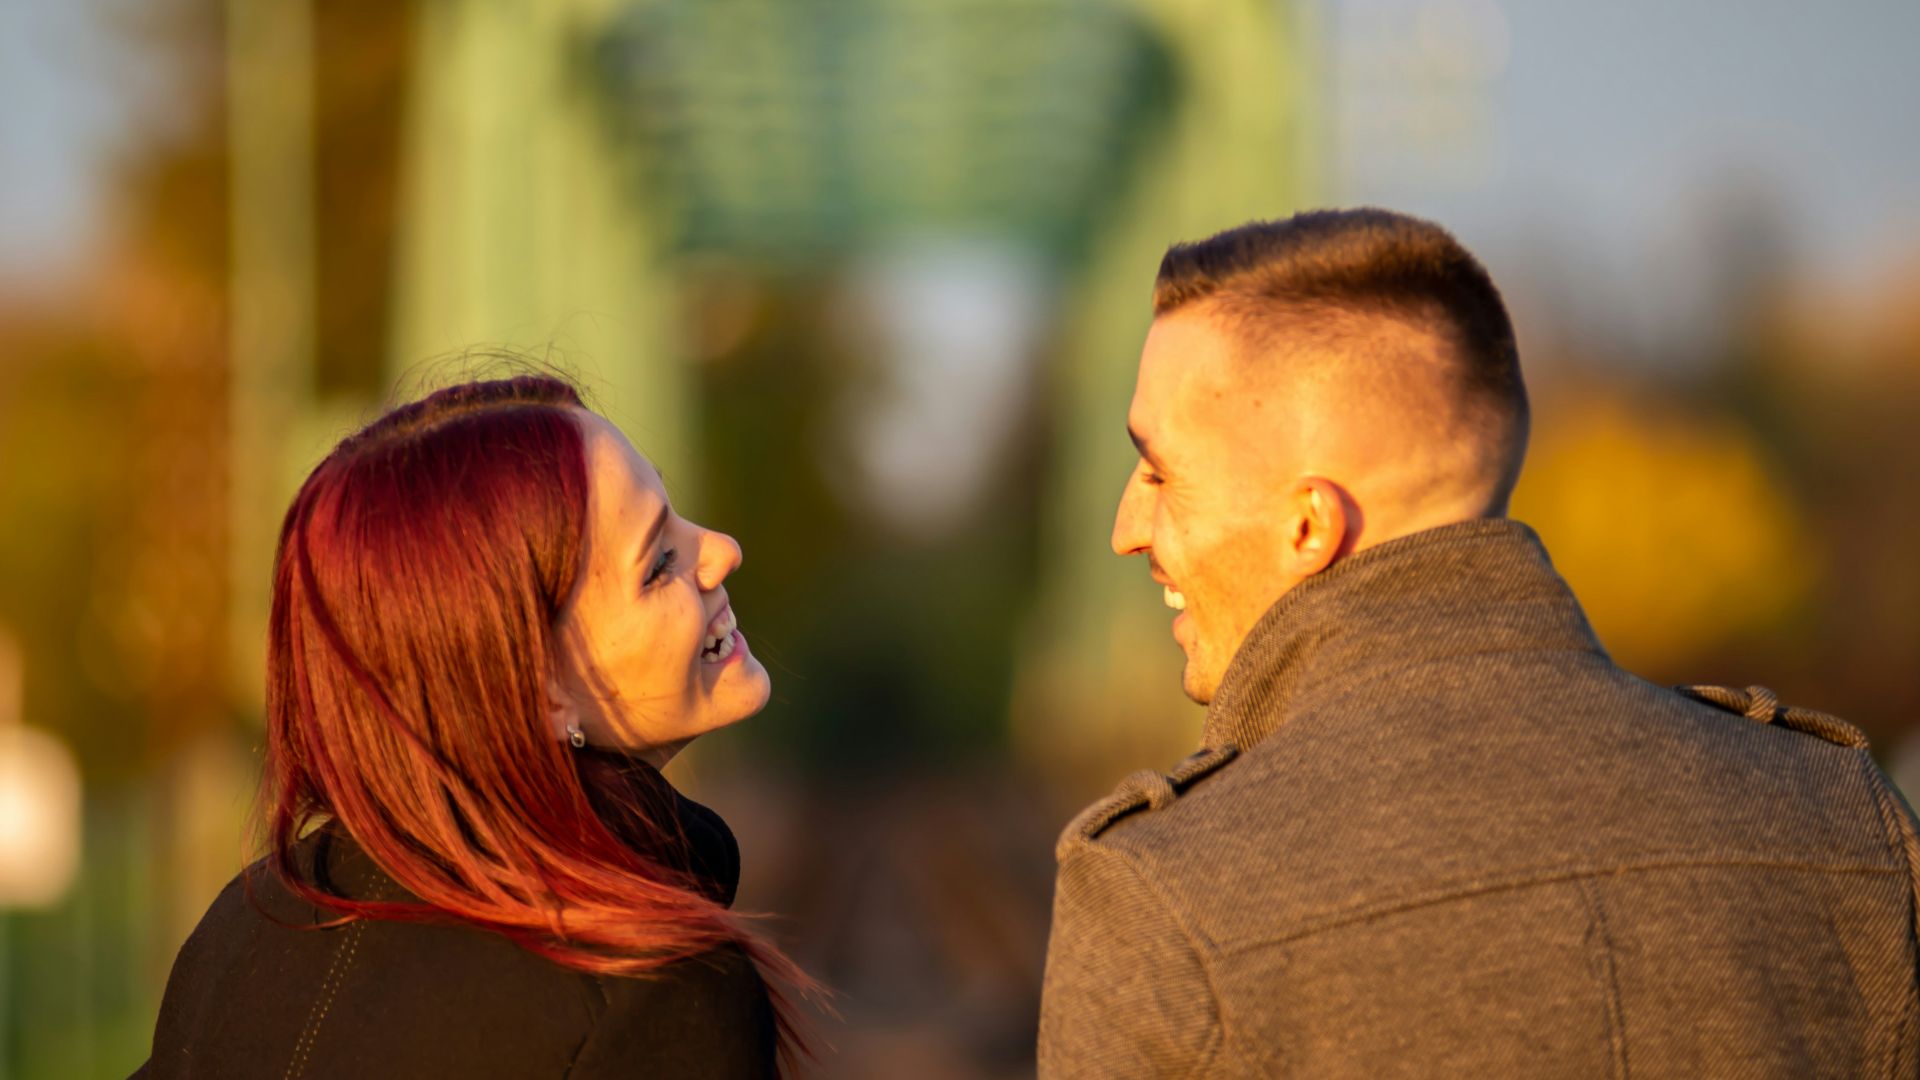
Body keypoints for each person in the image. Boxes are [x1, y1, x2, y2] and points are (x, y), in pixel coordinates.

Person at [1038, 209, 1920, 1077]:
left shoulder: (1164, 896)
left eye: (1159, 471)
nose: (1126, 527)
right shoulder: (1849, 821)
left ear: (1310, 526)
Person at [138, 375, 812, 1078]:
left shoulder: (240, 936)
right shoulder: (652, 994)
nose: (723, 549)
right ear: (534, 687)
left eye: (675, 517)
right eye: (659, 563)